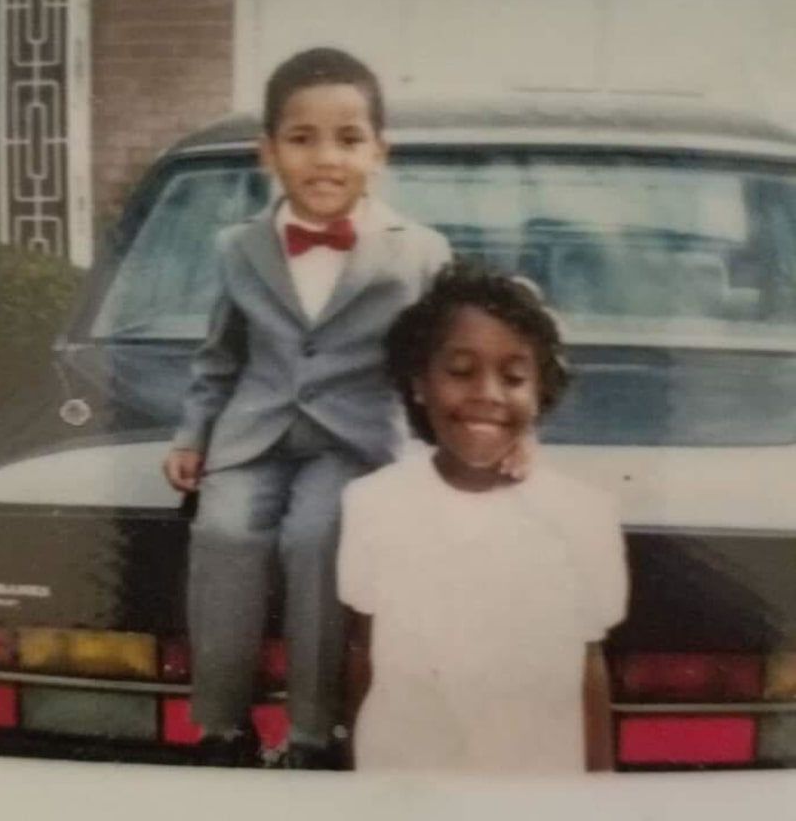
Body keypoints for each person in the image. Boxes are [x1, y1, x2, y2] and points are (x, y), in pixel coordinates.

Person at [163, 47, 451, 769]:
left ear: (380, 152)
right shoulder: (238, 246)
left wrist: (468, 439)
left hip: (352, 441)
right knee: (224, 532)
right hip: (252, 433)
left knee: (316, 538)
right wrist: (193, 432)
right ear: (268, 151)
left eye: (349, 139)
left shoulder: (418, 252)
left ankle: (313, 735)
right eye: (301, 138)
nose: (326, 159)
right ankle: (221, 727)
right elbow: (220, 356)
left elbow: (449, 357)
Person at [338, 262, 629, 774]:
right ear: (420, 384)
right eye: (460, 370)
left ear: (540, 392)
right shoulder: (373, 504)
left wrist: (598, 796)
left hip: (534, 791)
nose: (488, 394)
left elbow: (590, 669)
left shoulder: (584, 515)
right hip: (407, 790)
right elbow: (364, 654)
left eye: (514, 376)